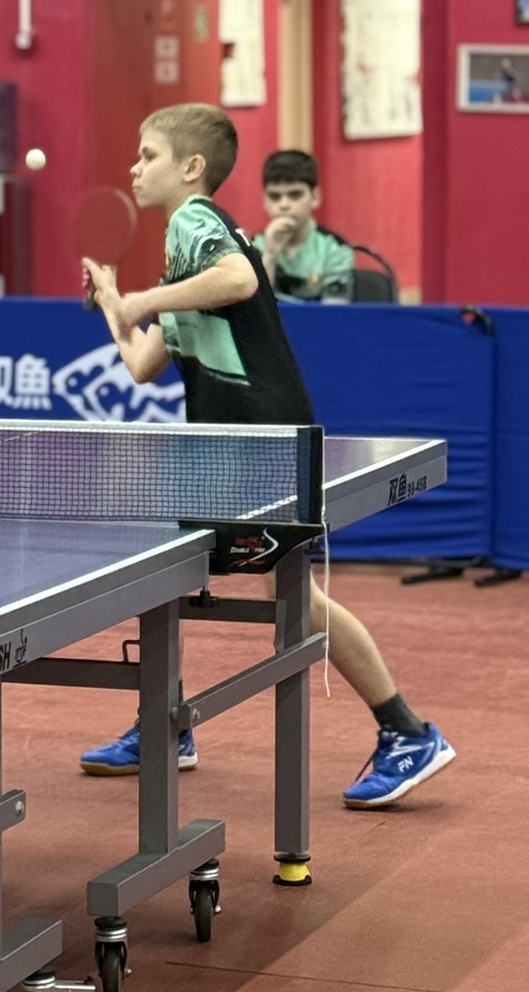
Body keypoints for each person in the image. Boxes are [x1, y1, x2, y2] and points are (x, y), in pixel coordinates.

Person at [78, 104, 454, 808]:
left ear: (192, 168)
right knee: (188, 579)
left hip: (261, 448)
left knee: (266, 593)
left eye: (148, 154)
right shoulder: (182, 254)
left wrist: (141, 299)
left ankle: (406, 731)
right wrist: (113, 303)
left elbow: (239, 281)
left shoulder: (195, 222)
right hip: (237, 451)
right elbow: (143, 364)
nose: (134, 167)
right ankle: (169, 724)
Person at [253, 148, 354, 302]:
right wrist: (270, 257)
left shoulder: (336, 249)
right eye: (275, 196)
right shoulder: (253, 247)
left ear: (315, 197)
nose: (284, 205)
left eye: (295, 195)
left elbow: (335, 312)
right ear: (265, 201)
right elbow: (254, 310)